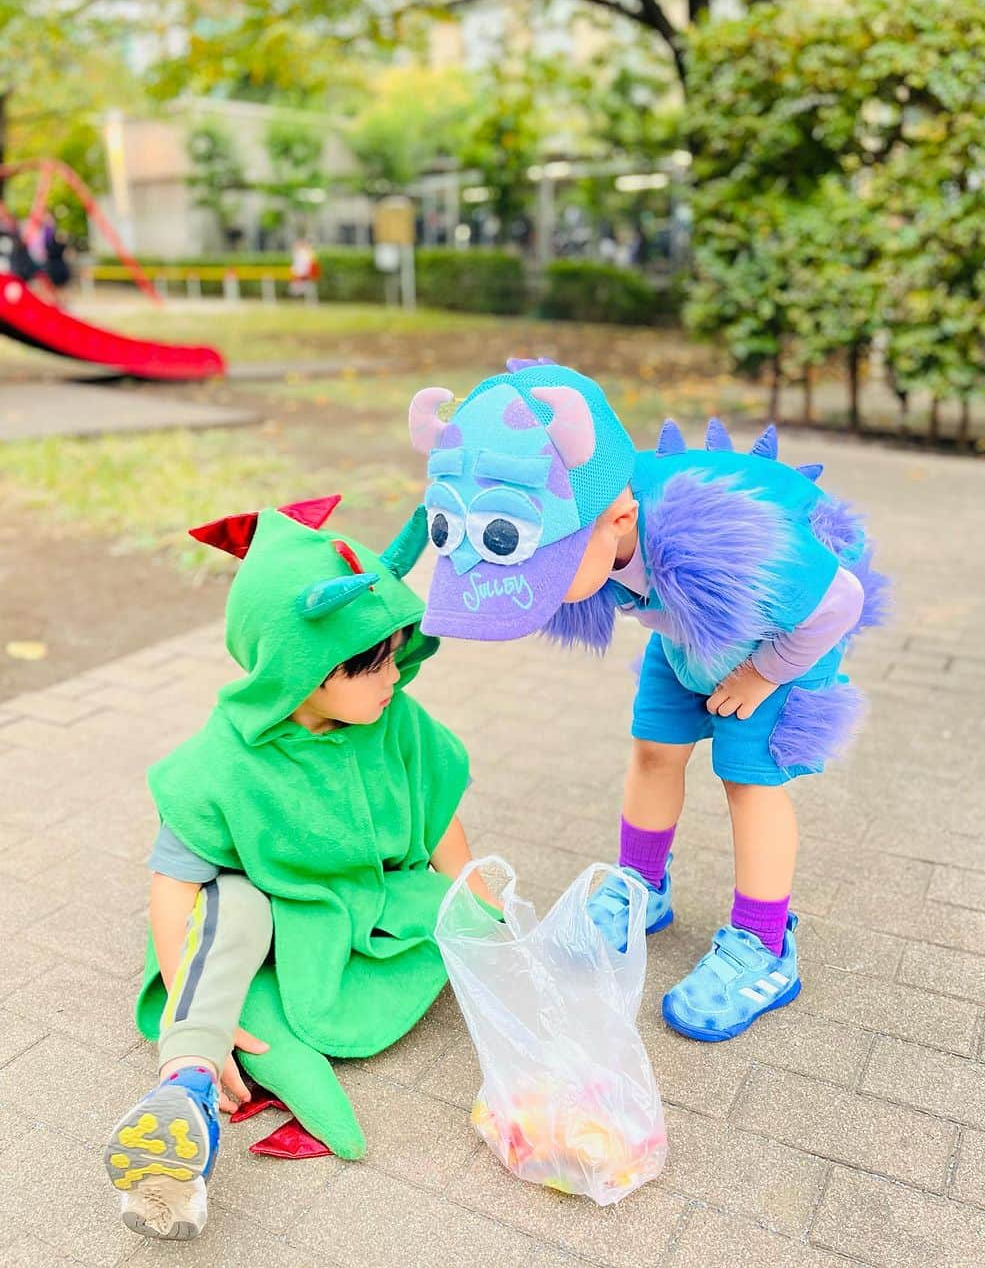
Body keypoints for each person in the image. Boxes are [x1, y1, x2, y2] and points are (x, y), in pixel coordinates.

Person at [405, 360, 888, 1045]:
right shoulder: (595, 510)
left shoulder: (723, 545)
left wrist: (762, 675)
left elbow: (839, 599)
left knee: (748, 779)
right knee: (655, 747)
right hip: (688, 628)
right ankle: (640, 887)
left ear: (621, 517)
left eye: (549, 570)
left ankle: (763, 945)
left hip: (782, 639)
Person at [104, 495, 497, 1241]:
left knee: (404, 944)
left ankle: (233, 1067)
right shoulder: (224, 763)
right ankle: (187, 1077)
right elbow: (175, 881)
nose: (393, 676)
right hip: (264, 912)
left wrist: (479, 907)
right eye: (370, 664)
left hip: (367, 908)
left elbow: (436, 810)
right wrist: (185, 989)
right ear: (302, 671)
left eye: (395, 652)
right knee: (235, 909)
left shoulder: (392, 719)